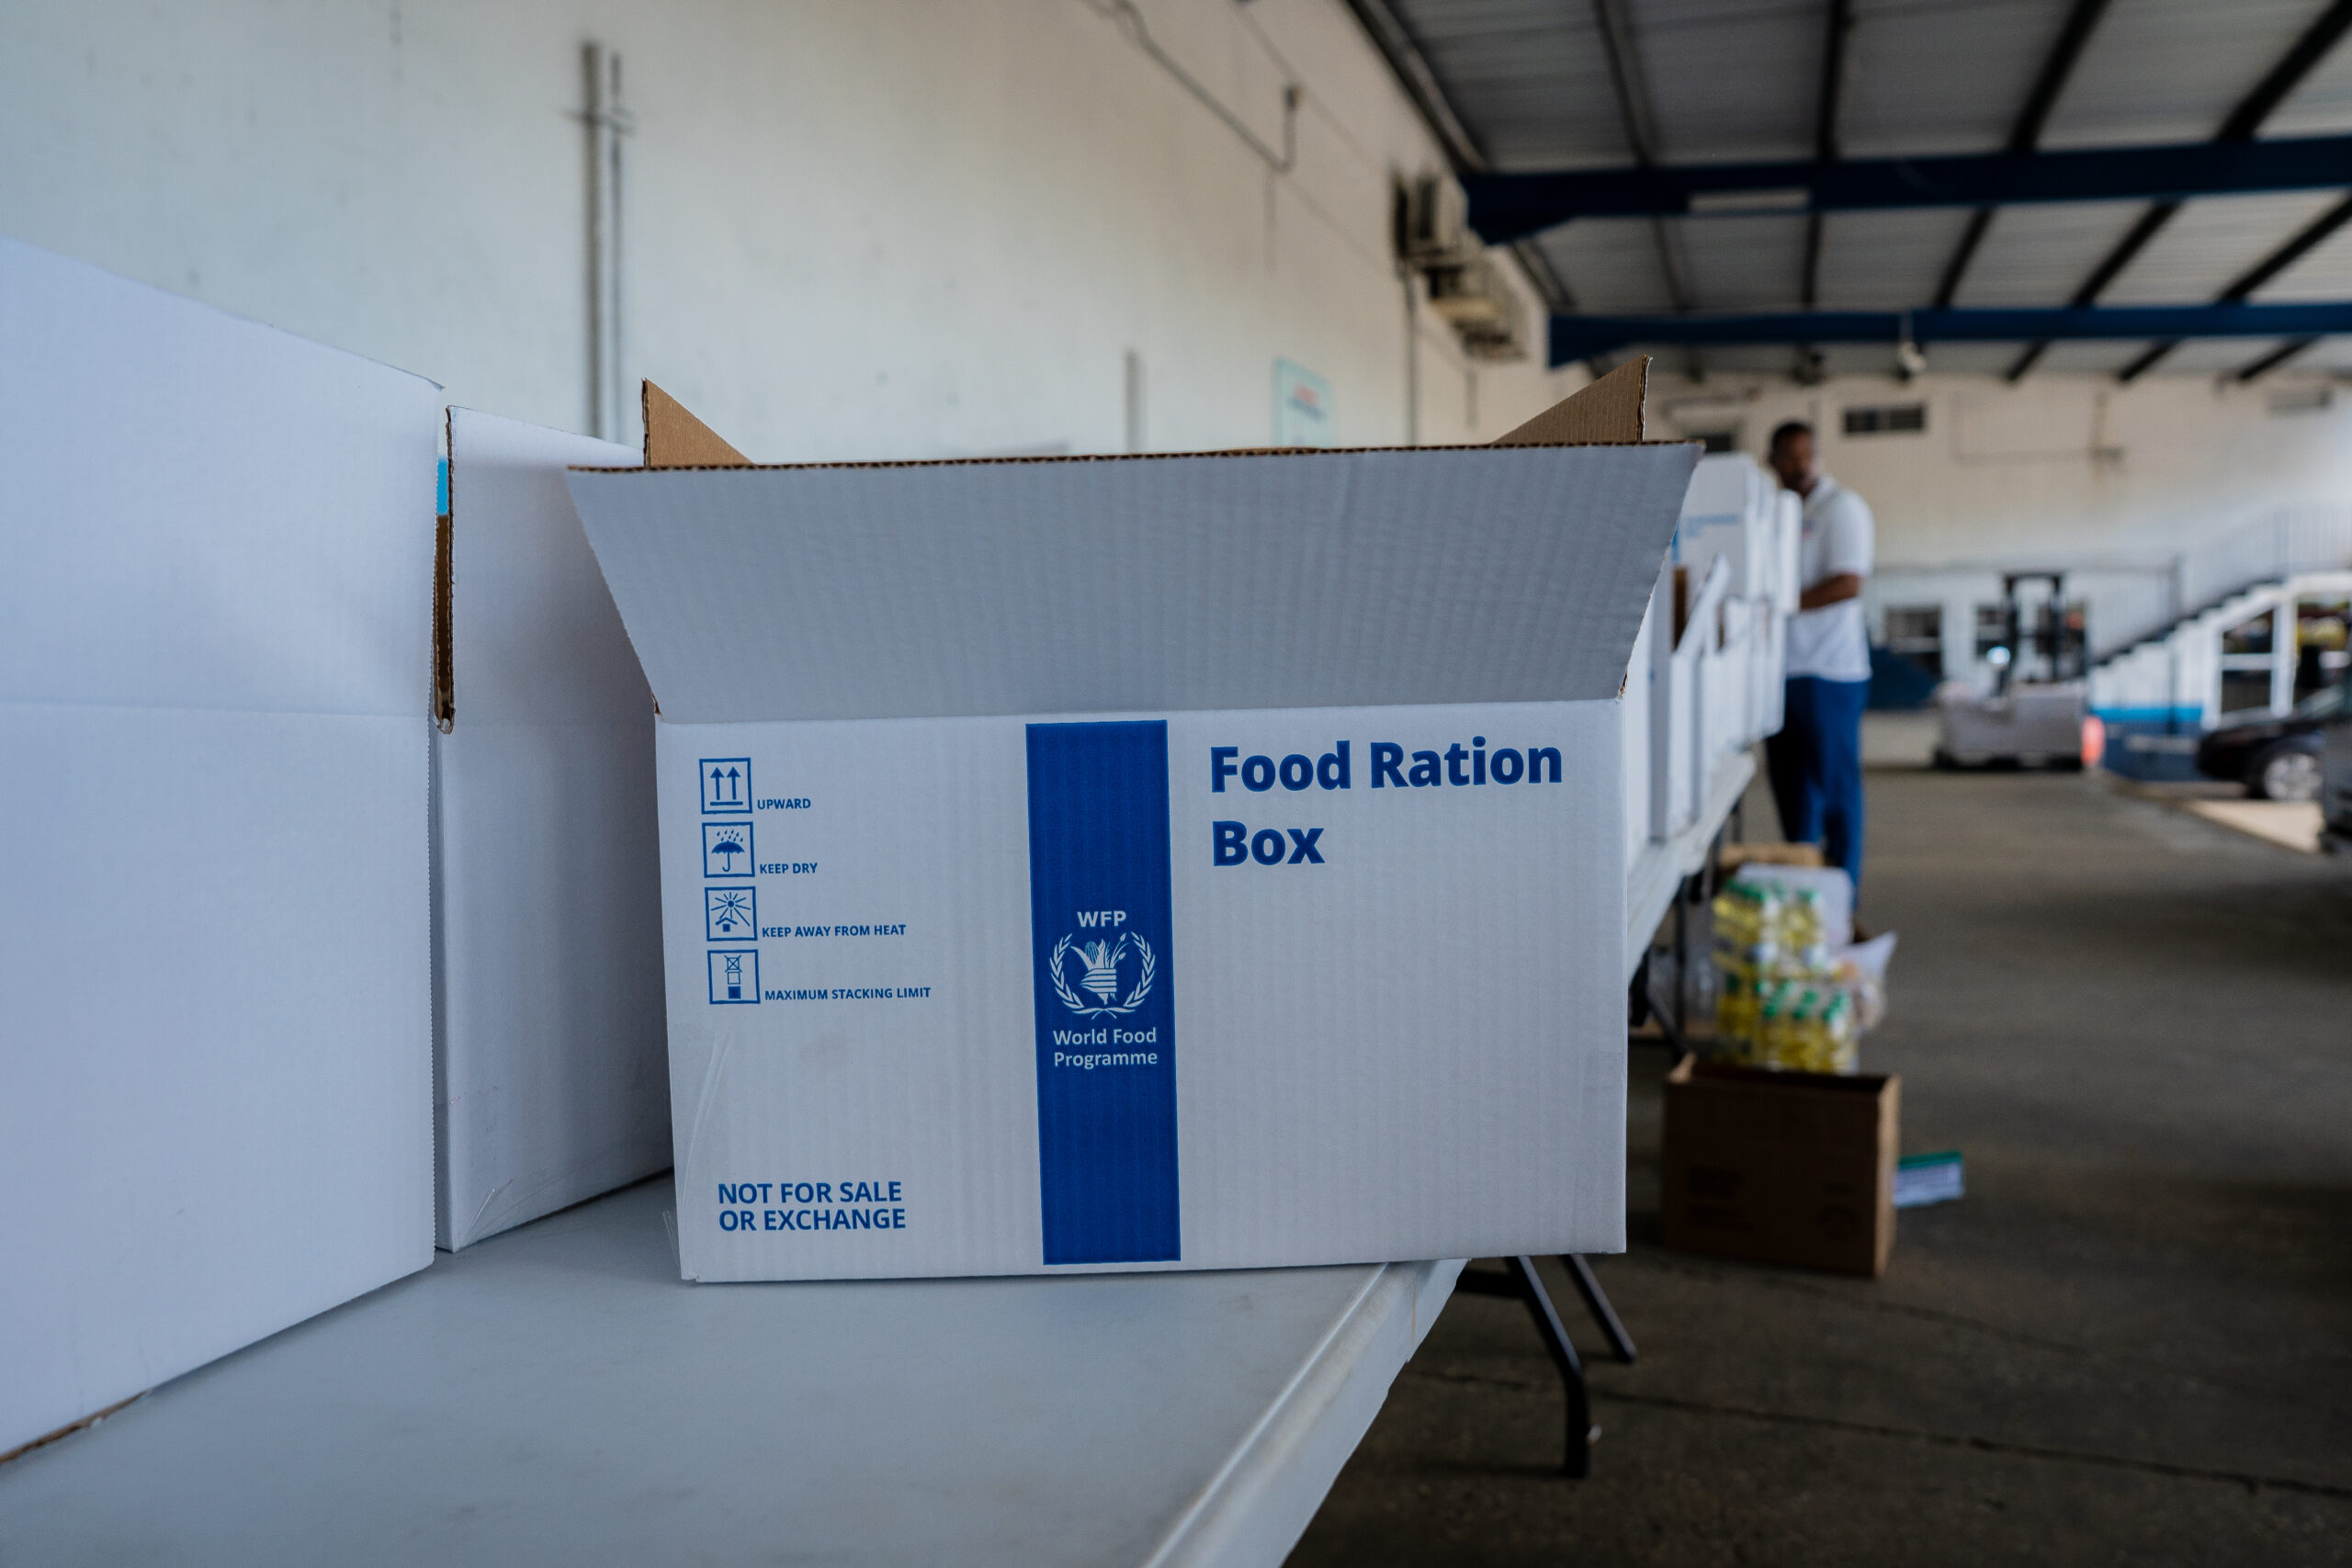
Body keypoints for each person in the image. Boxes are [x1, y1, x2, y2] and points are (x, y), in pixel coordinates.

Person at [1764, 420, 1874, 892]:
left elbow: (1848, 583)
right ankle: (1807, 887)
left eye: (1807, 454)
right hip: (1780, 670)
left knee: (1835, 788)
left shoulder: (1840, 508)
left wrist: (1775, 604)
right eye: (1789, 455)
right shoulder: (1773, 511)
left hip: (1829, 672)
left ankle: (1843, 892)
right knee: (1792, 791)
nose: (1800, 464)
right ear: (1773, 460)